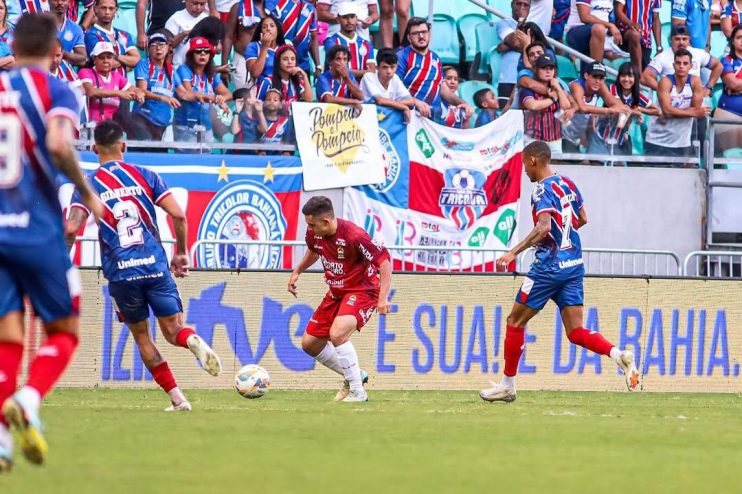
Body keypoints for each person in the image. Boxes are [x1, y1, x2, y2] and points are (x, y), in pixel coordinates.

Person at [0, 12, 103, 471]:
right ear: (53, 49)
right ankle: (29, 397)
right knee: (64, 330)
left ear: (13, 45)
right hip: (38, 231)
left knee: (8, 339)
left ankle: (2, 441)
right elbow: (60, 145)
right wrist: (86, 193)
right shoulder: (57, 90)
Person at [64, 120, 222, 413]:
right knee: (174, 330)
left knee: (141, 336)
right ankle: (191, 339)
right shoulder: (146, 175)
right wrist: (181, 253)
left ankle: (178, 399)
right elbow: (179, 215)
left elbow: (71, 229)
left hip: (122, 273)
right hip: (155, 266)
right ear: (123, 146)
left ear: (94, 148)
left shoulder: (87, 184)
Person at [479, 141, 640, 404]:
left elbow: (543, 228)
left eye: (523, 165)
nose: (524, 172)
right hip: (573, 266)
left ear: (533, 160)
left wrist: (513, 253)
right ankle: (618, 354)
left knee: (514, 321)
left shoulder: (541, 190)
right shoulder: (567, 182)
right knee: (575, 331)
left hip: (548, 268)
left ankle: (508, 385)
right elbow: (583, 218)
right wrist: (564, 232)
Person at [288, 196, 392, 403]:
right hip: (336, 292)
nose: (309, 229)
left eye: (312, 224)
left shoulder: (355, 236)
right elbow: (314, 251)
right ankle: (355, 375)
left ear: (326, 222)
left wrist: (383, 298)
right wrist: (297, 270)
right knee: (309, 344)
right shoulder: (314, 234)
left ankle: (357, 391)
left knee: (337, 335)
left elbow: (384, 262)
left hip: (363, 291)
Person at [396, 17, 473, 121]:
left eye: (424, 32)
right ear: (409, 38)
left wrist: (463, 103)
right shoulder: (401, 57)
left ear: (429, 35)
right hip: (411, 116)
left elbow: (442, 88)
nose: (421, 36)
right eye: (415, 33)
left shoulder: (435, 58)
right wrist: (415, 102)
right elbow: (395, 88)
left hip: (435, 118)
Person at [645, 48, 711, 158]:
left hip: (682, 142)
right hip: (657, 140)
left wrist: (675, 112)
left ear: (691, 66)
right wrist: (694, 113)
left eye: (685, 63)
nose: (681, 66)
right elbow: (667, 110)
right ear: (673, 65)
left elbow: (694, 108)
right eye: (678, 63)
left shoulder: (695, 81)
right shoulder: (665, 82)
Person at [174, 36, 232, 146]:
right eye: (198, 51)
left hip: (206, 124)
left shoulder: (211, 74)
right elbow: (189, 94)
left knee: (206, 157)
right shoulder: (183, 70)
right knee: (187, 159)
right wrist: (215, 99)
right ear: (191, 55)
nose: (203, 54)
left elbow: (228, 94)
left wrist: (221, 98)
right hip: (185, 124)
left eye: (206, 52)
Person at [563, 62, 631, 154]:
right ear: (586, 75)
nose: (598, 81)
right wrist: (609, 110)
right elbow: (582, 107)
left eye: (601, 78)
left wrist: (623, 108)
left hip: (580, 134)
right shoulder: (576, 86)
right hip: (563, 134)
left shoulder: (600, 85)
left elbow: (612, 101)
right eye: (595, 77)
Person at [597, 61, 660, 155]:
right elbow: (620, 107)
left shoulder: (637, 96)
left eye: (630, 76)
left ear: (635, 78)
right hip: (603, 133)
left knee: (620, 165)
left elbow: (657, 111)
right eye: (623, 76)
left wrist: (640, 109)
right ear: (618, 77)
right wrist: (636, 113)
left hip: (621, 137)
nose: (626, 79)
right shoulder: (612, 88)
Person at [130, 31, 182, 141]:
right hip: (142, 117)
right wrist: (162, 98)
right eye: (153, 45)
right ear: (148, 49)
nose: (158, 48)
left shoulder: (171, 70)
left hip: (162, 122)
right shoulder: (144, 64)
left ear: (168, 48)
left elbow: (184, 93)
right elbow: (141, 90)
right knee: (143, 151)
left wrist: (207, 97)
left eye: (162, 45)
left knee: (159, 155)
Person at [641, 23, 722, 92]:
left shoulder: (698, 53)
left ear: (689, 40)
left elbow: (718, 66)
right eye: (677, 39)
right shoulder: (662, 57)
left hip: (694, 102)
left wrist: (708, 87)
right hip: (670, 104)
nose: (681, 42)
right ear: (670, 40)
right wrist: (664, 91)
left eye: (684, 39)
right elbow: (645, 78)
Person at [79, 41, 145, 123]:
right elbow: (91, 92)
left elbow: (133, 89)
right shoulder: (86, 72)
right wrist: (119, 93)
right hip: (88, 128)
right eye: (101, 57)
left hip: (107, 128)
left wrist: (138, 93)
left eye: (109, 57)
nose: (106, 60)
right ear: (94, 59)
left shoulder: (116, 76)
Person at [520, 53, 573, 153]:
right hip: (533, 139)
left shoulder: (557, 88)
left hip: (555, 139)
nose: (548, 71)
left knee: (556, 168)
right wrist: (552, 99)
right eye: (544, 68)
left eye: (551, 68)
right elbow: (532, 105)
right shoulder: (528, 89)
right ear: (536, 69)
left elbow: (566, 106)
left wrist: (558, 88)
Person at [84, 0, 140, 76]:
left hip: (123, 85)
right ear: (95, 9)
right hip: (101, 85)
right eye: (103, 8)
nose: (107, 12)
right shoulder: (90, 34)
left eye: (111, 8)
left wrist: (117, 56)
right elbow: (103, 64)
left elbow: (136, 60)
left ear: (116, 10)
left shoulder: (123, 34)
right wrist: (126, 61)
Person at [360, 46, 414, 121]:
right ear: (377, 67)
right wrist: (403, 107)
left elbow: (411, 101)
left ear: (396, 67)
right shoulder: (368, 77)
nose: (389, 71)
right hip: (367, 119)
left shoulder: (395, 78)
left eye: (392, 67)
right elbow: (380, 100)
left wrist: (393, 103)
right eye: (385, 67)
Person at [564, 0, 622, 70]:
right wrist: (610, 25)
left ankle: (592, 76)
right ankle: (597, 71)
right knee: (599, 28)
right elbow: (584, 17)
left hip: (597, 36)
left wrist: (610, 30)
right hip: (576, 32)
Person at [323, 3, 375, 80]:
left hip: (361, 89)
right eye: (345, 17)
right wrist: (366, 72)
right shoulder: (331, 42)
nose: (349, 21)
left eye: (352, 17)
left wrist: (367, 72)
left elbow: (372, 71)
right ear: (338, 19)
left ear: (357, 18)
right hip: (338, 88)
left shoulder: (366, 43)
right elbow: (340, 70)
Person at [256, 44, 313, 113]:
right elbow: (258, 106)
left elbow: (309, 100)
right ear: (278, 62)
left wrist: (305, 76)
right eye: (285, 59)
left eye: (293, 59)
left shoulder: (298, 81)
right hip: (272, 122)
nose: (290, 62)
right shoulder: (267, 82)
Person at [223, 0, 267, 88]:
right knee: (243, 96)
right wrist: (224, 66)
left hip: (266, 59)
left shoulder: (275, 9)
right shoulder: (237, 8)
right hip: (242, 59)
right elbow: (228, 37)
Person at [270, 0, 320, 77]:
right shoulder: (275, 4)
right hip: (279, 64)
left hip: (302, 65)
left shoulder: (310, 8)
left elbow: (313, 37)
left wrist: (318, 65)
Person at [614, 0, 662, 77]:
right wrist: (630, 23)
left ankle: (639, 80)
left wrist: (659, 47)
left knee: (648, 75)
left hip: (645, 39)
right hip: (624, 33)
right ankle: (638, 77)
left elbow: (655, 19)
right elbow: (618, 11)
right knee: (635, 35)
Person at [497, 0, 532, 101]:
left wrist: (505, 46)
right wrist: (521, 20)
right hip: (508, 77)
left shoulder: (532, 25)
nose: (522, 7)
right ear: (512, 5)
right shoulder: (504, 23)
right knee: (505, 113)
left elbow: (534, 47)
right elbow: (516, 42)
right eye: (518, 3)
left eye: (525, 5)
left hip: (528, 77)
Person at [715, 24, 742, 152]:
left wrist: (738, 88)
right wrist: (735, 86)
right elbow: (732, 84)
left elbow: (737, 84)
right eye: (739, 37)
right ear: (733, 40)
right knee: (731, 156)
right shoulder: (726, 61)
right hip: (729, 113)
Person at [165, 0, 210, 67]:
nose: (198, 7)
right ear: (186, 1)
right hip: (179, 66)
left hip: (202, 68)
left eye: (202, 4)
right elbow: (168, 45)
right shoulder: (175, 18)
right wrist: (184, 34)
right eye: (195, 3)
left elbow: (216, 48)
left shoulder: (207, 19)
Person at [245, 15, 286, 83]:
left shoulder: (284, 48)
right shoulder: (253, 46)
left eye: (272, 26)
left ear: (278, 30)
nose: (268, 29)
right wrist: (265, 47)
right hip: (260, 87)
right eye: (264, 27)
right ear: (261, 32)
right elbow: (255, 74)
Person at [52, 0, 86, 67]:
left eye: (64, 0)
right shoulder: (40, 24)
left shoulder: (76, 28)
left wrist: (60, 53)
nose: (60, 3)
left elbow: (82, 60)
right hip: (42, 73)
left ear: (70, 2)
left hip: (65, 74)